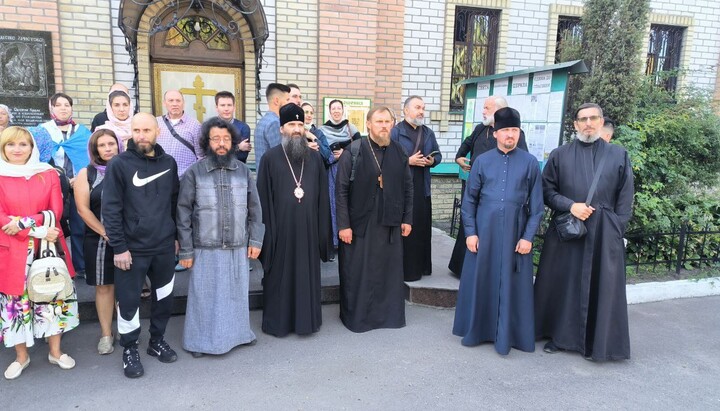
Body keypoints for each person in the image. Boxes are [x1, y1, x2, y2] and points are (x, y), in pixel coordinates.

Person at [534, 103, 634, 361]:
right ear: (575, 124)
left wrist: (615, 229)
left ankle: (596, 341)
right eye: (583, 119)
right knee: (563, 284)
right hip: (568, 229)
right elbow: (546, 192)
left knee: (600, 286)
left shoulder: (618, 155)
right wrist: (571, 205)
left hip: (603, 233)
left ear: (601, 122)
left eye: (593, 118)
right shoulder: (560, 154)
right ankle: (559, 336)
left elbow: (625, 197)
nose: (588, 123)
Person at [452, 108, 544, 354]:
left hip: (516, 236)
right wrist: (470, 232)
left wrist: (527, 237)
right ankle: (478, 331)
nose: (510, 135)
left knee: (512, 284)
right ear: (495, 133)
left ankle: (510, 335)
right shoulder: (482, 161)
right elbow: (469, 201)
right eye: (505, 131)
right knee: (482, 279)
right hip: (484, 233)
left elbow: (537, 207)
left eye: (514, 130)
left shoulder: (530, 163)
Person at [177, 117, 264, 356]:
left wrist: (255, 240)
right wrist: (185, 250)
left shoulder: (243, 171)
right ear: (207, 142)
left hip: (237, 243)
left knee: (236, 294)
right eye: (216, 139)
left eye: (226, 139)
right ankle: (199, 342)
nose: (221, 143)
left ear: (233, 142)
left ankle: (239, 335)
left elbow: (255, 208)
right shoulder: (195, 172)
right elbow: (183, 212)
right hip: (205, 245)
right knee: (204, 297)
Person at [102, 113, 180, 378]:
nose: (141, 135)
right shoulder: (119, 165)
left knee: (164, 298)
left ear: (157, 131)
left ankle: (156, 341)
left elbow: (174, 203)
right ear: (131, 133)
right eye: (136, 130)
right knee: (128, 301)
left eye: (147, 129)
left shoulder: (169, 163)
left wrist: (177, 237)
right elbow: (110, 209)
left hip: (164, 247)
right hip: (131, 250)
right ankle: (129, 347)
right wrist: (119, 247)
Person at [0, 126, 78, 380]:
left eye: (23, 144)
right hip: (12, 251)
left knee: (52, 297)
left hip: (46, 248)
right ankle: (21, 356)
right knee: (15, 304)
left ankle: (55, 351)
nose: (17, 150)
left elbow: (55, 211)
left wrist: (23, 224)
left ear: (32, 148)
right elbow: (1, 219)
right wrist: (37, 229)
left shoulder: (47, 173)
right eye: (11, 145)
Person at [335, 106, 413, 332]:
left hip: (390, 222)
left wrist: (407, 218)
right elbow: (340, 191)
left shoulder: (399, 152)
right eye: (379, 121)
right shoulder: (354, 150)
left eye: (387, 122)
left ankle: (387, 317)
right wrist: (343, 225)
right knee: (359, 271)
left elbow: (408, 187)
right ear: (368, 124)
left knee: (387, 271)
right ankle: (359, 318)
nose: (384, 126)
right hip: (360, 223)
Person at [257, 103, 330, 337]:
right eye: (291, 124)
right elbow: (262, 200)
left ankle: (306, 322)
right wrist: (266, 237)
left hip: (308, 231)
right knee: (280, 276)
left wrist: (322, 234)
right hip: (280, 231)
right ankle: (279, 323)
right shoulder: (270, 158)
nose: (297, 129)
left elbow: (322, 199)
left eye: (300, 124)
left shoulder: (316, 159)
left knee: (306, 276)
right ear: (281, 129)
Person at [448, 95, 529, 276]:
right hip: (474, 187)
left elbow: (522, 163)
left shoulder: (514, 135)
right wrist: (460, 159)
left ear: (499, 111)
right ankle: (461, 267)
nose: (483, 111)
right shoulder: (480, 128)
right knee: (469, 227)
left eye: (487, 108)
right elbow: (465, 146)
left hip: (496, 193)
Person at [33, 93, 91, 278]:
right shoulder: (41, 131)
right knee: (53, 225)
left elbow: (90, 157)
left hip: (79, 184)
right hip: (51, 186)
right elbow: (37, 158)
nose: (63, 108)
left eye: (67, 104)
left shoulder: (83, 132)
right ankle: (56, 264)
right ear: (51, 108)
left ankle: (81, 266)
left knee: (80, 226)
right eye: (58, 105)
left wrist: (78, 178)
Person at [74, 128, 121, 355]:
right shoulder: (87, 173)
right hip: (98, 238)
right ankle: (106, 333)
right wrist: (105, 232)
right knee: (104, 287)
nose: (108, 148)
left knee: (125, 286)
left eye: (111, 143)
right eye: (102, 145)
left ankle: (126, 328)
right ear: (95, 149)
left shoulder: (128, 169)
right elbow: (83, 209)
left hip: (127, 237)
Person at [391, 95, 441, 281]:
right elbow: (386, 158)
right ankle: (404, 270)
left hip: (422, 187)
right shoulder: (395, 132)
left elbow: (439, 155)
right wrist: (408, 161)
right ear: (405, 110)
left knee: (421, 228)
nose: (421, 111)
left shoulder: (428, 132)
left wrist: (432, 160)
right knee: (406, 229)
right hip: (402, 188)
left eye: (423, 108)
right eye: (418, 107)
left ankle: (421, 267)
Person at [320, 99, 361, 253]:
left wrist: (345, 153)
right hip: (331, 172)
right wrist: (333, 157)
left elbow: (359, 148)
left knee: (350, 201)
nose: (336, 111)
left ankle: (351, 234)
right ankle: (335, 240)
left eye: (339, 108)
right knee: (333, 203)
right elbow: (320, 152)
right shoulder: (322, 130)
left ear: (343, 110)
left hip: (350, 170)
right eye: (333, 108)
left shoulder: (351, 128)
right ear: (329, 111)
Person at [156, 90, 202, 177]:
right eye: (171, 100)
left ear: (183, 103)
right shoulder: (156, 122)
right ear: (164, 103)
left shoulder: (195, 124)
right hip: (160, 176)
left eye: (178, 100)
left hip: (185, 178)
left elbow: (201, 155)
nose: (174, 104)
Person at [254, 83, 290, 170]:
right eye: (287, 100)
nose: (289, 103)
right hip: (272, 177)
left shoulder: (263, 121)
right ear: (276, 101)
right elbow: (281, 155)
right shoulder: (275, 123)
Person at [214, 91, 251, 163]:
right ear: (216, 108)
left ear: (234, 107)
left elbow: (242, 156)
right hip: (214, 171)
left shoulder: (243, 128)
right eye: (222, 105)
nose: (226, 109)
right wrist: (238, 147)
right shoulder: (209, 127)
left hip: (237, 170)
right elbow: (209, 154)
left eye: (229, 105)